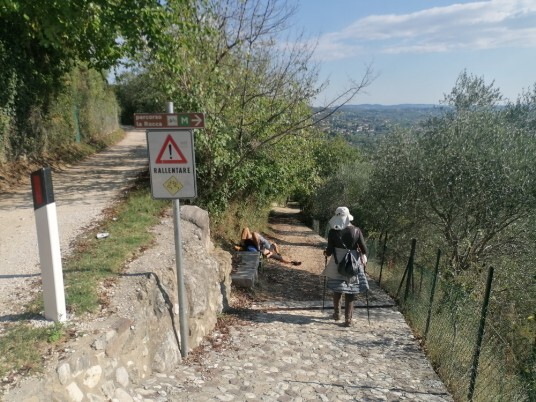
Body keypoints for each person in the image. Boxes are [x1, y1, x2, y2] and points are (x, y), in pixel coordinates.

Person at [322, 206, 369, 327]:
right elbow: (364, 249)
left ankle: (337, 314)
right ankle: (348, 319)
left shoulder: (333, 231)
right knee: (351, 290)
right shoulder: (356, 230)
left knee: (337, 289)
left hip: (337, 263)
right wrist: (360, 253)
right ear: (348, 217)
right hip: (353, 263)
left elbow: (330, 251)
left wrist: (325, 253)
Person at [236, 227, 302, 266]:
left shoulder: (275, 255)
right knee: (246, 229)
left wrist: (292, 262)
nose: (287, 258)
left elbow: (283, 260)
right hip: (257, 243)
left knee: (254, 234)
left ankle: (243, 247)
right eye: (288, 258)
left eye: (287, 258)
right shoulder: (273, 250)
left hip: (259, 248)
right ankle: (242, 244)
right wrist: (277, 252)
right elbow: (275, 244)